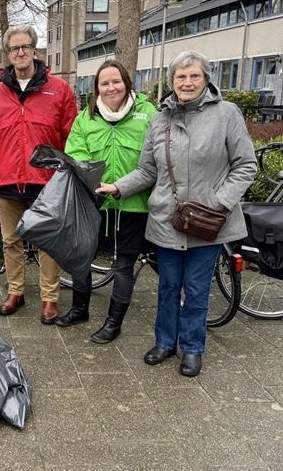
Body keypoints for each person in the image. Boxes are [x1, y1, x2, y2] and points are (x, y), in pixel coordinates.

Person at [97, 50, 256, 376]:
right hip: (167, 220)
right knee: (168, 286)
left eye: (194, 76)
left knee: (197, 288)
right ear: (171, 81)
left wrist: (219, 202)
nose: (187, 82)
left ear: (206, 79)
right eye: (180, 77)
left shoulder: (226, 114)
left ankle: (193, 348)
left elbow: (245, 165)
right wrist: (117, 187)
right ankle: (165, 342)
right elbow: (146, 170)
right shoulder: (160, 119)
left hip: (208, 222)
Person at [0, 25, 78, 324]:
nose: (20, 53)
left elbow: (71, 135)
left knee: (48, 241)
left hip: (46, 180)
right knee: (11, 240)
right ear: (8, 54)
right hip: (8, 179)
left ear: (35, 49)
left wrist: (66, 173)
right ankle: (16, 291)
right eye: (14, 49)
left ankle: (50, 298)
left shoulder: (59, 90)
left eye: (25, 47)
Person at [60, 60, 156, 343]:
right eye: (105, 83)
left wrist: (120, 186)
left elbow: (155, 160)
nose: (111, 87)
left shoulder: (148, 113)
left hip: (133, 203)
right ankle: (80, 309)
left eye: (116, 81)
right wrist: (92, 181)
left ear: (127, 82)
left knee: (124, 265)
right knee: (81, 257)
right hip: (95, 202)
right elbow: (75, 154)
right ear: (97, 88)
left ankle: (114, 322)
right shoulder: (85, 117)